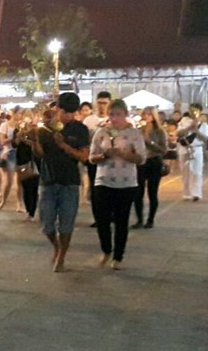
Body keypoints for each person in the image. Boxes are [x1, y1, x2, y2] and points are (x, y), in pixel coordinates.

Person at [35, 92, 90, 272]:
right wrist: (33, 139)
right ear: (57, 108)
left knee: (66, 222)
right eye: (64, 111)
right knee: (46, 223)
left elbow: (84, 157)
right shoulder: (46, 128)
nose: (67, 116)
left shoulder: (80, 129)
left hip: (70, 181)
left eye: (71, 113)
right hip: (47, 180)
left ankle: (62, 255)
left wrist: (64, 146)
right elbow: (40, 154)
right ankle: (56, 245)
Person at [89, 99, 145, 270]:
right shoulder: (101, 132)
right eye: (111, 114)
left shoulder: (134, 134)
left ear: (125, 115)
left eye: (118, 114)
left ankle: (118, 256)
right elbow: (91, 157)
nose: (114, 118)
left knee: (121, 221)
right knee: (102, 220)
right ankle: (106, 249)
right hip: (103, 181)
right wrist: (105, 155)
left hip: (126, 183)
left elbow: (141, 158)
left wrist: (123, 154)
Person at [134, 107, 168, 229]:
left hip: (154, 162)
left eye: (149, 115)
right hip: (141, 162)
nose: (146, 117)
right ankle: (139, 219)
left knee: (152, 193)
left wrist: (150, 142)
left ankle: (150, 219)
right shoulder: (138, 130)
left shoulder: (159, 131)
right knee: (138, 193)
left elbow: (164, 150)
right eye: (145, 114)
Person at [83, 91, 112, 225]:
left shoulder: (115, 119)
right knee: (96, 190)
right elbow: (84, 139)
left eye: (105, 103)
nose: (102, 106)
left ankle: (111, 214)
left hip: (112, 161)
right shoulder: (89, 121)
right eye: (99, 103)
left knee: (110, 188)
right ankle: (98, 218)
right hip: (94, 159)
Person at [176, 102, 208, 201]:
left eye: (195, 110)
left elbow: (204, 138)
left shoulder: (203, 124)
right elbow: (179, 133)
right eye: (191, 110)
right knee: (185, 171)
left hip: (196, 148)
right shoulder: (184, 120)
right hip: (184, 147)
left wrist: (196, 130)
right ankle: (186, 193)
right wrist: (189, 128)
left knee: (197, 171)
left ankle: (196, 193)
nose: (193, 112)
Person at [13, 110, 42, 220]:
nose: (28, 119)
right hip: (22, 161)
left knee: (34, 187)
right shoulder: (19, 129)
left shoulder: (37, 130)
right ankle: (29, 209)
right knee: (25, 186)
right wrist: (19, 138)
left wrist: (29, 141)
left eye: (30, 116)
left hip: (34, 161)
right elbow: (14, 144)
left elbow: (38, 146)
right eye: (26, 116)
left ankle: (32, 212)